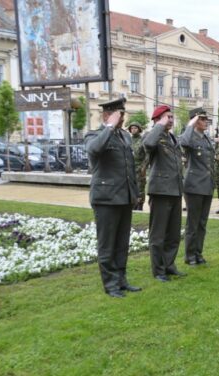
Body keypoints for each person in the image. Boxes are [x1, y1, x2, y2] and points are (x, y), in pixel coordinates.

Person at [84, 98, 141, 298]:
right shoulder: (95, 134)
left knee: (122, 243)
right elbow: (94, 150)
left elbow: (129, 169)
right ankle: (110, 285)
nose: (123, 118)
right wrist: (108, 127)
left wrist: (134, 193)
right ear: (107, 115)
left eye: (123, 114)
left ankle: (121, 279)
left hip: (124, 197)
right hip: (106, 198)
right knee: (107, 244)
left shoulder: (124, 137)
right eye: (119, 114)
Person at [144, 105, 185, 282]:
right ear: (158, 119)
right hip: (160, 190)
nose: (171, 119)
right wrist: (159, 126)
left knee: (173, 233)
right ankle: (158, 270)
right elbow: (148, 144)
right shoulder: (153, 135)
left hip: (175, 190)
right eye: (167, 117)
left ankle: (169, 265)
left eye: (171, 117)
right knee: (158, 234)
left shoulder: (171, 137)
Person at [179, 108, 214, 266]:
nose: (206, 121)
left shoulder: (205, 138)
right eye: (202, 119)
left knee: (202, 223)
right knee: (192, 224)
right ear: (194, 121)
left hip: (206, 185)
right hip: (194, 186)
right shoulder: (190, 136)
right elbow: (183, 142)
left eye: (206, 119)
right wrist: (190, 125)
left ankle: (198, 253)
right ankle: (189, 255)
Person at [128, 122, 147, 211]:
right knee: (130, 187)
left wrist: (144, 166)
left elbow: (147, 155)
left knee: (140, 187)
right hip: (130, 168)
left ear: (139, 129)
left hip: (139, 168)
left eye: (135, 128)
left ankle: (140, 206)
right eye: (132, 128)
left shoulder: (143, 140)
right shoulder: (128, 140)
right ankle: (132, 204)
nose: (133, 130)